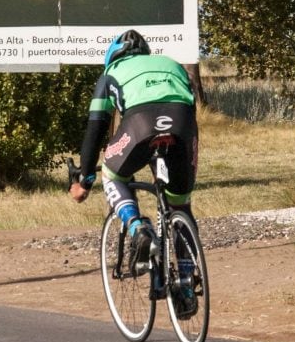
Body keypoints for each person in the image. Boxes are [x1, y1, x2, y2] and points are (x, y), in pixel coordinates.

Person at [69, 29, 198, 273]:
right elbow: (191, 107)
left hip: (140, 124)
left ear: (112, 57)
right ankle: (187, 281)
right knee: (180, 204)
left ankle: (137, 227)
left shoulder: (109, 74)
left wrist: (85, 179)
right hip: (182, 124)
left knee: (112, 174)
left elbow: (96, 129)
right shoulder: (172, 64)